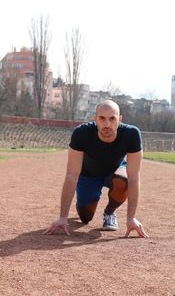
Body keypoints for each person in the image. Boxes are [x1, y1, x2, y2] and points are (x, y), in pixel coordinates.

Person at [44, 99, 149, 238]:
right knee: (85, 217)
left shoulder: (131, 134)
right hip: (88, 176)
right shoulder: (81, 133)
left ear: (120, 119)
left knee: (124, 180)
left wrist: (131, 218)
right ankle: (82, 204)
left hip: (115, 171)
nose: (107, 124)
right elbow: (71, 175)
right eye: (102, 118)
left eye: (112, 118)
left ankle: (109, 212)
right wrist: (63, 217)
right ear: (95, 119)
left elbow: (134, 176)